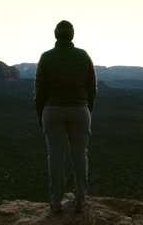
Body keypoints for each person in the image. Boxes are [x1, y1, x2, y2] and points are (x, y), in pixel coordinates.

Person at [34, 20, 97, 213]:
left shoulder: (46, 57)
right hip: (80, 109)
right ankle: (80, 199)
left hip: (52, 110)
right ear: (72, 35)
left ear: (55, 34)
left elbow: (40, 90)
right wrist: (87, 110)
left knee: (55, 156)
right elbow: (92, 88)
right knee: (80, 155)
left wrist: (41, 115)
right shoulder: (83, 55)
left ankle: (55, 202)